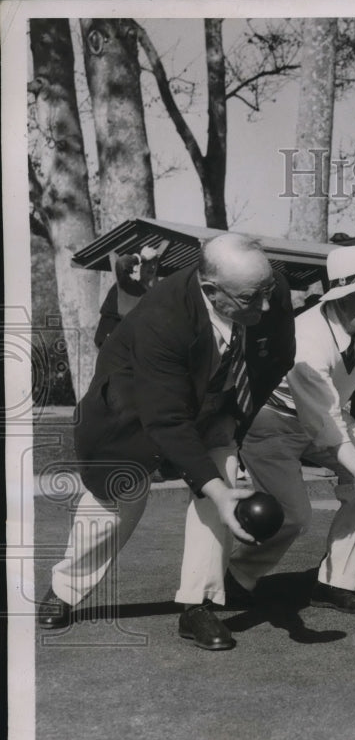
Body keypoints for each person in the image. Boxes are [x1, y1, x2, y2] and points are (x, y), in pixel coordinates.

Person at [37, 233, 295, 651]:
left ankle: (199, 606)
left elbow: (277, 356)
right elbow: (166, 419)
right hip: (130, 414)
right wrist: (220, 492)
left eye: (267, 292)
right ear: (211, 290)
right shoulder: (163, 316)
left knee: (221, 485)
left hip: (214, 405)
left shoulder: (268, 288)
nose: (265, 306)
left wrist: (234, 420)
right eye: (251, 298)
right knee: (114, 509)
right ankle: (66, 588)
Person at [228, 243, 355, 614]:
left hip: (334, 415)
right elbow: (324, 425)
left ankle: (334, 582)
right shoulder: (307, 338)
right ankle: (237, 577)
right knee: (293, 517)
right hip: (274, 421)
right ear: (341, 297)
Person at [94, 244, 163, 347]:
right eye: (147, 263)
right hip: (114, 348)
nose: (152, 267)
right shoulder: (126, 284)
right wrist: (141, 257)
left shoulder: (150, 293)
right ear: (135, 267)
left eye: (155, 263)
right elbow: (121, 263)